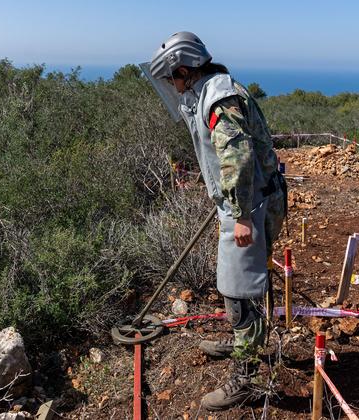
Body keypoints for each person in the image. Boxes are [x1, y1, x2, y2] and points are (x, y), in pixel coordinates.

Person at [148, 31, 287, 411]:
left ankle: (247, 376)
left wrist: (240, 215)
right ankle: (244, 341)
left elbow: (238, 158)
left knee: (240, 291)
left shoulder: (219, 97)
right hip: (247, 202)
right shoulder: (209, 90)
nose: (171, 86)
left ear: (183, 70)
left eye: (171, 77)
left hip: (252, 206)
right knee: (237, 283)